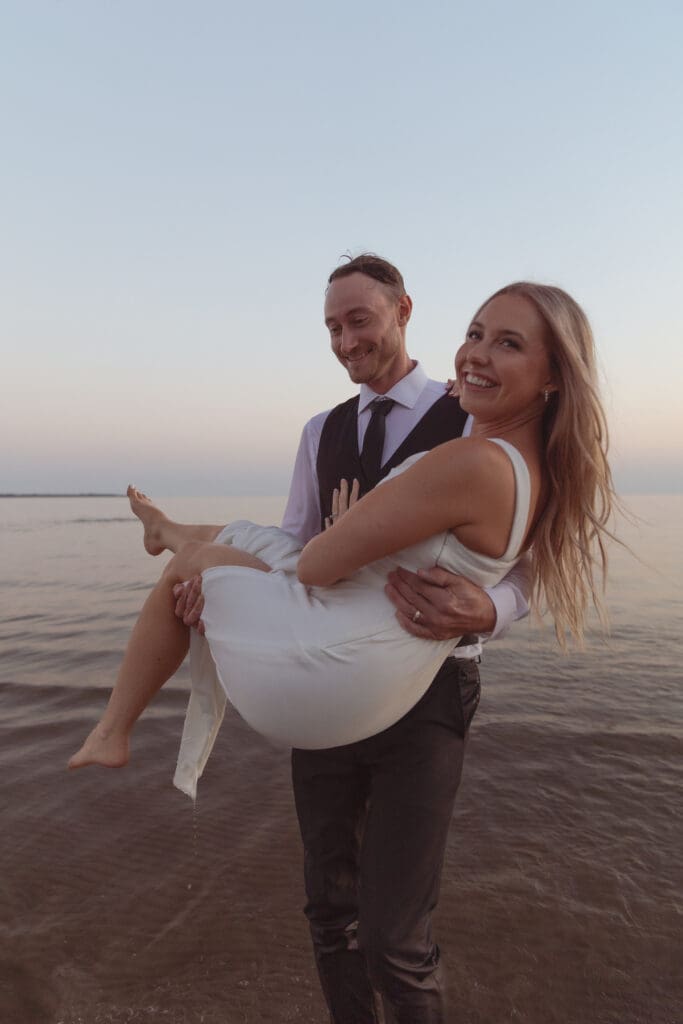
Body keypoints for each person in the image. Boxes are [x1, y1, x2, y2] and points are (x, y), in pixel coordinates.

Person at [69, 270, 615, 1024]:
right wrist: (218, 585)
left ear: (402, 312)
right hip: (328, 649)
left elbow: (529, 562)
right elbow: (298, 547)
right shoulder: (319, 431)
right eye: (331, 328)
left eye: (359, 320)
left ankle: (174, 539)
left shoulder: (474, 419)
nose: (346, 340)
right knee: (329, 906)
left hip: (427, 688)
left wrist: (487, 609)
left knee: (396, 933)